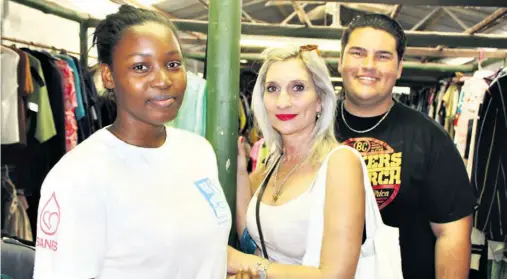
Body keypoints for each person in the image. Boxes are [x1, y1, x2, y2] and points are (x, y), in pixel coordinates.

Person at [32, 5, 231, 279]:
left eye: (173, 64)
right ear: (108, 76)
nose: (163, 80)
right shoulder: (78, 177)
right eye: (140, 67)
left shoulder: (198, 152)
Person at [334, 13, 477, 279]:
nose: (369, 65)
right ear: (341, 61)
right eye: (358, 53)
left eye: (383, 56)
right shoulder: (313, 129)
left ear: (399, 67)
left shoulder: (430, 138)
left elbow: (452, 234)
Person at [228, 44, 369, 278]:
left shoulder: (340, 163)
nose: (283, 101)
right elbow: (253, 238)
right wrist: (241, 174)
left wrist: (249, 265)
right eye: (272, 88)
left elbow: (336, 275)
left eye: (298, 88)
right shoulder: (272, 162)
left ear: (320, 100)